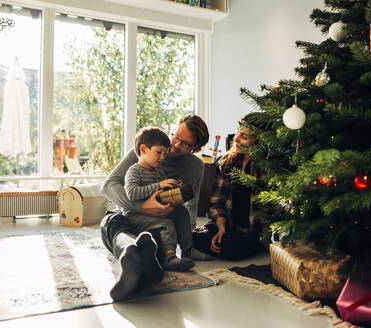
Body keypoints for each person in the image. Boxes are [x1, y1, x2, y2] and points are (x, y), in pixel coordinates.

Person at [100, 115, 210, 301]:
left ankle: (145, 262)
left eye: (184, 144)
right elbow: (108, 185)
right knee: (111, 221)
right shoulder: (148, 148)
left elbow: (191, 203)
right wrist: (143, 208)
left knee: (165, 231)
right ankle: (132, 253)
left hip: (163, 223)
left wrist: (188, 240)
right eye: (176, 137)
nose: (175, 145)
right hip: (132, 216)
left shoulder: (195, 167)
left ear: (194, 149)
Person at [123, 126, 210, 272]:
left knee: (182, 212)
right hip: (136, 215)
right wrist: (158, 185)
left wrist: (174, 190)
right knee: (166, 223)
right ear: (143, 149)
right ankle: (170, 257)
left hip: (155, 210)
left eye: (164, 153)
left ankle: (188, 249)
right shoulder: (134, 171)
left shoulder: (159, 172)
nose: (163, 157)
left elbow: (162, 192)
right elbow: (132, 193)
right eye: (159, 152)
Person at [192, 113, 264, 260]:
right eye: (238, 131)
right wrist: (221, 228)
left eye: (244, 136)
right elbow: (216, 201)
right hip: (227, 224)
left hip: (251, 231)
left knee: (232, 247)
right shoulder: (225, 161)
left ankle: (224, 245)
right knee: (193, 238)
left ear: (258, 142)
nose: (235, 139)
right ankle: (221, 241)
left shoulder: (266, 168)